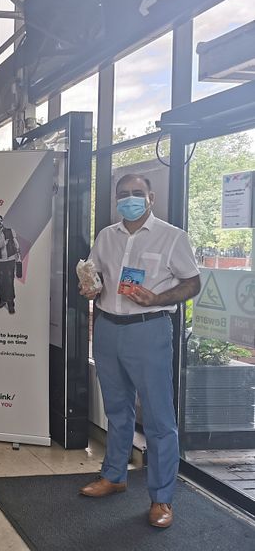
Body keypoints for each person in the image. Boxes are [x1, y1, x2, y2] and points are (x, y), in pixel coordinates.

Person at [79, 174, 200, 529]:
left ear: (151, 197)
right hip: (107, 329)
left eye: (136, 194)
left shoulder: (172, 236)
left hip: (149, 330)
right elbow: (94, 273)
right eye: (123, 195)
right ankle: (114, 475)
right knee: (116, 409)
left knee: (160, 419)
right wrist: (88, 286)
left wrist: (159, 298)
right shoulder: (107, 235)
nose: (129, 199)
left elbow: (192, 282)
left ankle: (161, 498)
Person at [0, 215, 20, 312]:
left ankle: (11, 302)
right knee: (1, 282)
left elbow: (16, 245)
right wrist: (2, 244)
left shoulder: (10, 231)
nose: (0, 223)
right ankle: (3, 300)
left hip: (10, 260)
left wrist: (18, 257)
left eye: (1, 221)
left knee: (9, 281)